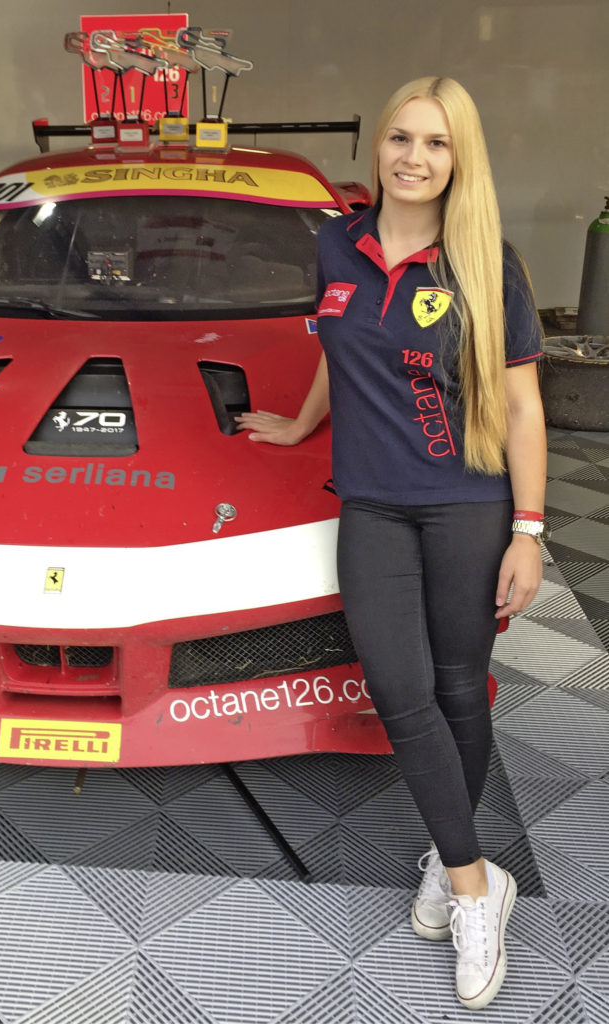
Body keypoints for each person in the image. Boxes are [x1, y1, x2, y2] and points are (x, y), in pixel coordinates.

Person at [237, 76, 546, 1011]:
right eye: (401, 138)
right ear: (379, 146)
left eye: (436, 143)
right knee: (399, 693)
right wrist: (301, 424)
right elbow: (339, 348)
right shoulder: (336, 243)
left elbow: (523, 407)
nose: (414, 157)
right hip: (372, 504)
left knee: (456, 691)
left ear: (460, 159)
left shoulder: (486, 263)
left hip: (467, 505)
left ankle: (448, 864)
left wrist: (528, 531)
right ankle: (475, 884)